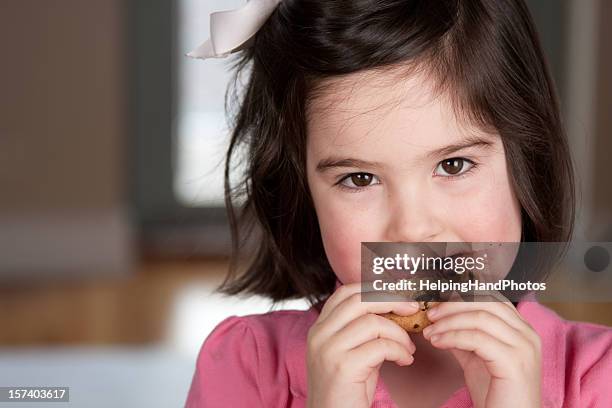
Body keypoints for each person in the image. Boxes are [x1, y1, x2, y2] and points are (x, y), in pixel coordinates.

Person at [184, 0, 612, 407]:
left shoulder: (598, 376)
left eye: (454, 165)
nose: (412, 229)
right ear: (300, 192)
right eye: (360, 178)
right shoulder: (247, 366)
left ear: (527, 158)